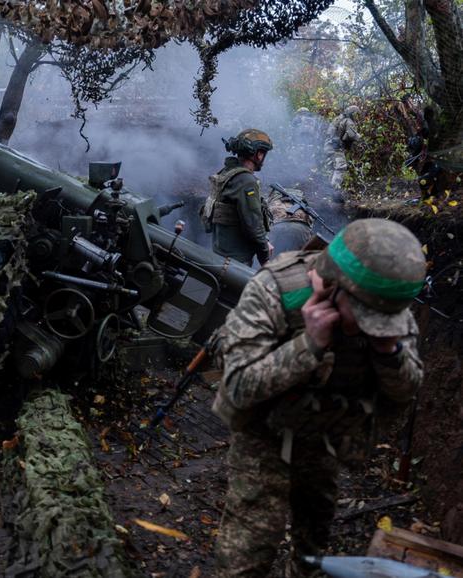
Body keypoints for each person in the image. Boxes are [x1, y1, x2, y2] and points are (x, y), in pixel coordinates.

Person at [210, 218, 426, 578]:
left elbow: (406, 390)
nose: (369, 327)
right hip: (263, 432)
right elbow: (238, 386)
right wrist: (308, 345)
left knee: (315, 529)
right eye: (363, 317)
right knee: (249, 548)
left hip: (326, 434)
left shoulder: (386, 300)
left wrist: (388, 351)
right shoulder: (274, 290)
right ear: (330, 285)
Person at [201, 129, 274, 267]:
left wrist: (264, 241)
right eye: (264, 153)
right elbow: (253, 225)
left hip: (220, 253)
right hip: (235, 261)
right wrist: (264, 257)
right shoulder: (246, 181)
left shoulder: (227, 173)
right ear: (258, 154)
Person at [266, 187, 314, 255]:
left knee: (271, 258)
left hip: (278, 227)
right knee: (296, 260)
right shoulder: (303, 205)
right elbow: (310, 224)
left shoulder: (273, 202)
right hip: (301, 228)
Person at [326, 105, 362, 189]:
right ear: (353, 114)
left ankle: (327, 190)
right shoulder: (349, 121)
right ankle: (334, 189)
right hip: (335, 147)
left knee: (332, 168)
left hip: (328, 145)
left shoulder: (338, 119)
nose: (357, 117)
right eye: (356, 114)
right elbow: (351, 135)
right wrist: (359, 137)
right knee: (341, 166)